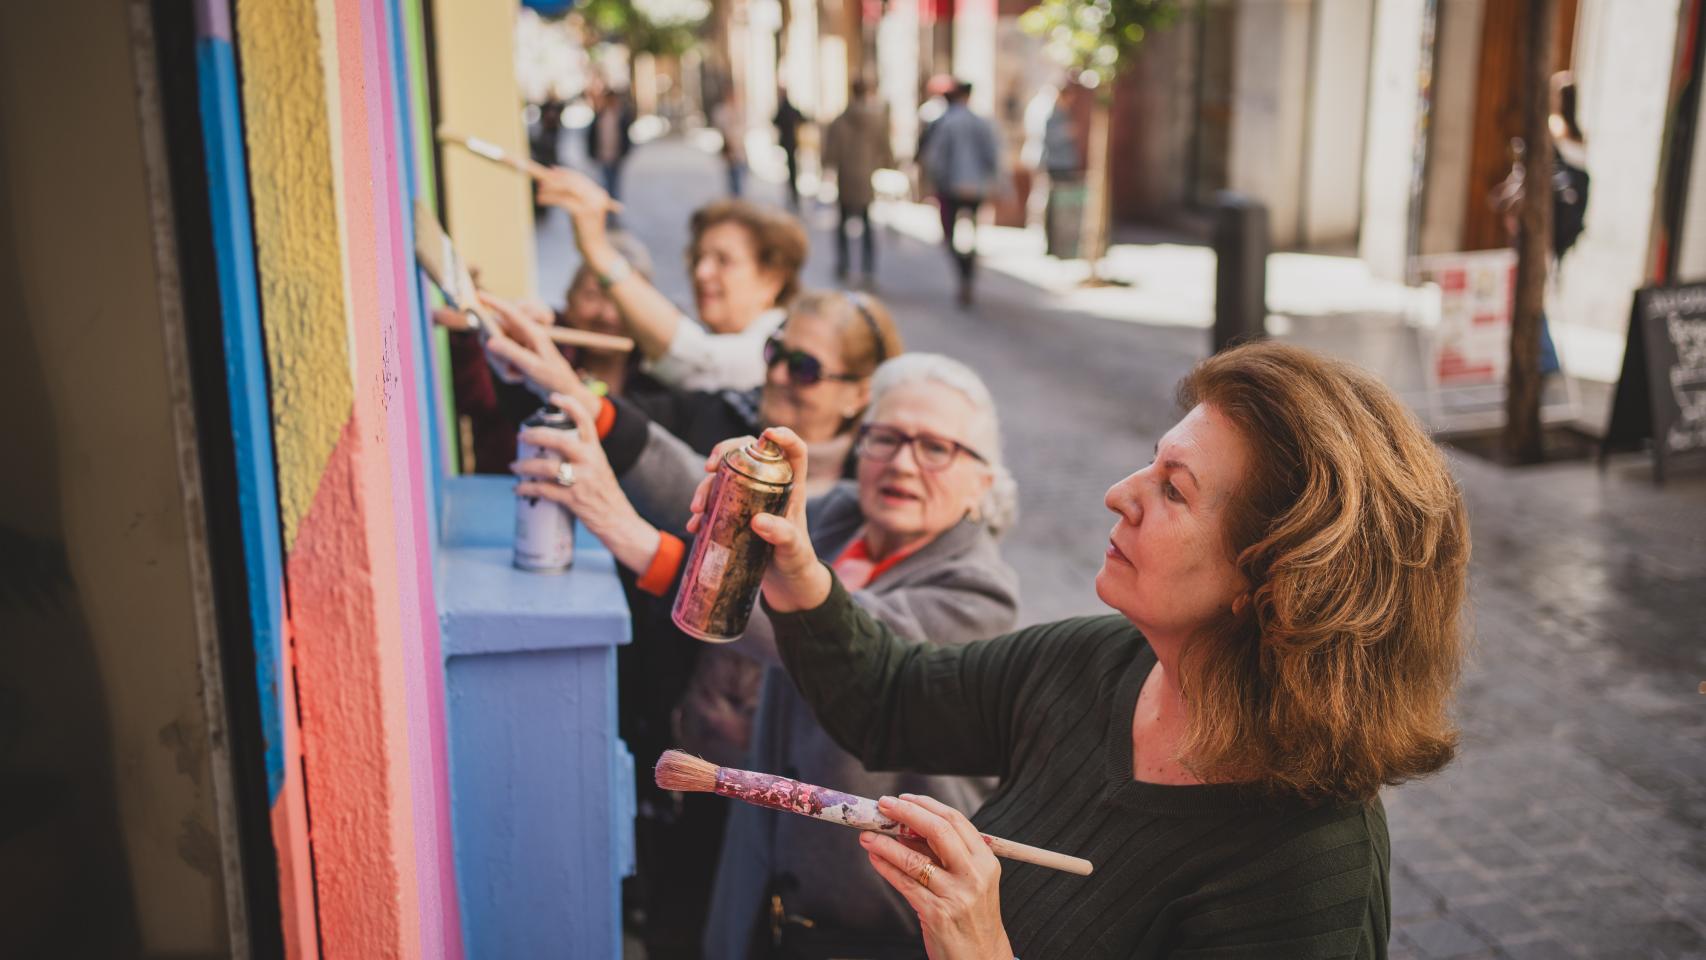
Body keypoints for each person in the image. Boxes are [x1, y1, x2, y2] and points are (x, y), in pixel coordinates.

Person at [699, 341, 1469, 959]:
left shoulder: (1305, 865)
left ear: (1273, 577)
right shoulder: (1102, 663)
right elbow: (891, 697)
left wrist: (981, 948)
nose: (1120, 493)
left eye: (1174, 489)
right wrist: (796, 563)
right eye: (1152, 461)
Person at [505, 290, 908, 958]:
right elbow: (670, 467)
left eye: (803, 366)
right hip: (703, 756)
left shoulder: (863, 507)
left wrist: (646, 547)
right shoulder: (761, 452)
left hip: (787, 801)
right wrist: (569, 386)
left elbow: (835, 640)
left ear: (856, 393)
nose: (777, 373)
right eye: (776, 352)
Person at [697, 354, 1020, 959]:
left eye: (936, 448)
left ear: (984, 481)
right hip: (769, 894)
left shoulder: (979, 595)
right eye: (887, 438)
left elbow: (825, 637)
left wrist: (644, 547)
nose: (902, 462)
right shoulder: (835, 518)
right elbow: (711, 508)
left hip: (878, 929)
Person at [535, 166, 807, 391]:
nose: (701, 273)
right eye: (698, 258)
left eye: (724, 261)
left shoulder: (781, 345)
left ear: (772, 279)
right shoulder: (694, 320)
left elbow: (695, 360)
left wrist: (596, 248)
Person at [431, 232, 657, 473]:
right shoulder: (539, 341)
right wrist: (478, 332)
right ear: (569, 297)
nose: (606, 315)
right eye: (592, 296)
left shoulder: (656, 386)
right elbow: (476, 398)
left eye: (620, 304)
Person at [921, 81, 1000, 308]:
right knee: (971, 232)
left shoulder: (945, 122)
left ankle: (964, 271)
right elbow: (992, 155)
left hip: (950, 188)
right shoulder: (981, 122)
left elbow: (936, 157)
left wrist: (935, 183)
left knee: (949, 236)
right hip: (975, 187)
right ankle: (968, 270)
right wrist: (990, 181)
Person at [822, 79, 896, 283]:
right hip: (865, 178)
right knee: (866, 224)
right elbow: (886, 149)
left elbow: (830, 153)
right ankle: (868, 268)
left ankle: (844, 264)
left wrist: (827, 170)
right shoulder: (876, 121)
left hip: (846, 178)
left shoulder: (839, 121)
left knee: (843, 224)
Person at [586, 84, 635, 205]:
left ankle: (614, 206)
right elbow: (592, 136)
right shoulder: (599, 116)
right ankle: (609, 206)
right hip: (603, 155)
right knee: (606, 183)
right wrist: (592, 153)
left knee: (615, 183)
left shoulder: (621, 116)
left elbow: (626, 136)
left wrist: (625, 151)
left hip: (616, 156)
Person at [774, 88, 805, 209]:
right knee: (792, 168)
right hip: (791, 142)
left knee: (791, 168)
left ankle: (792, 191)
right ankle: (793, 192)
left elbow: (775, 121)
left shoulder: (784, 109)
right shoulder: (789, 108)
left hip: (788, 143)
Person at [715, 93, 749, 196]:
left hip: (740, 153)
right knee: (734, 181)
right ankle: (736, 201)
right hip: (732, 153)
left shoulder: (740, 113)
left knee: (741, 178)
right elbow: (724, 130)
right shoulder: (724, 113)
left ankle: (738, 200)